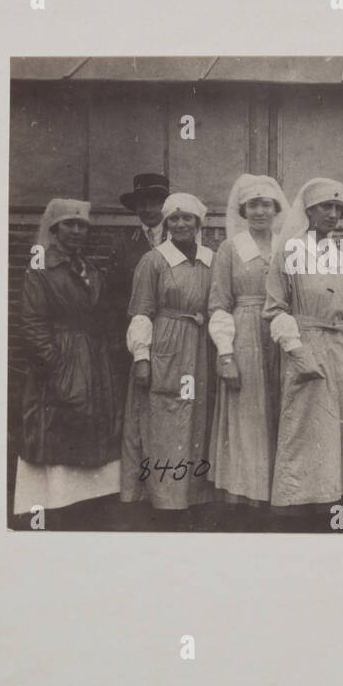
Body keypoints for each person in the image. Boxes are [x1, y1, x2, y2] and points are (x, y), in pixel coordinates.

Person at [263, 178, 343, 517]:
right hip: (307, 348)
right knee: (306, 429)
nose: (333, 213)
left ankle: (335, 500)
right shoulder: (291, 250)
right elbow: (277, 308)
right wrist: (297, 352)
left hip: (340, 351)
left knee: (340, 430)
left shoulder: (339, 255)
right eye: (326, 206)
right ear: (308, 210)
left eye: (338, 208)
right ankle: (299, 505)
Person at [13, 198, 122, 528]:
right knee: (57, 433)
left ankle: (82, 510)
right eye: (69, 225)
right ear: (54, 229)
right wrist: (56, 368)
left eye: (82, 226)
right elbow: (32, 325)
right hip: (60, 362)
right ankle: (54, 509)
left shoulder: (88, 268)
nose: (76, 231)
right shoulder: (41, 268)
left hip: (92, 361)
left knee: (91, 438)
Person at [120, 192, 214, 521]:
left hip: (200, 349)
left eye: (188, 217)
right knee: (165, 421)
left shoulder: (210, 259)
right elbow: (142, 312)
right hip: (166, 346)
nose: (181, 223)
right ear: (167, 223)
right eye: (174, 218)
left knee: (196, 421)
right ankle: (164, 501)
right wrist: (142, 357)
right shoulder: (154, 260)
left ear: (199, 222)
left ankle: (192, 497)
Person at [207, 174, 290, 515]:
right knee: (250, 414)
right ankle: (248, 493)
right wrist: (226, 354)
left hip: (281, 335)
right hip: (245, 334)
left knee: (282, 410)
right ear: (242, 210)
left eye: (266, 205)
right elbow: (218, 304)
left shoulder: (286, 247)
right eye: (253, 205)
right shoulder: (231, 248)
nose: (259, 211)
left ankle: (281, 492)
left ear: (276, 209)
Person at [106, 173, 170, 384]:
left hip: (171, 328)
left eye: (155, 203)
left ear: (164, 205)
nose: (148, 210)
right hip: (135, 329)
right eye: (142, 204)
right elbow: (114, 295)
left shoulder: (178, 237)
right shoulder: (124, 243)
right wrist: (117, 337)